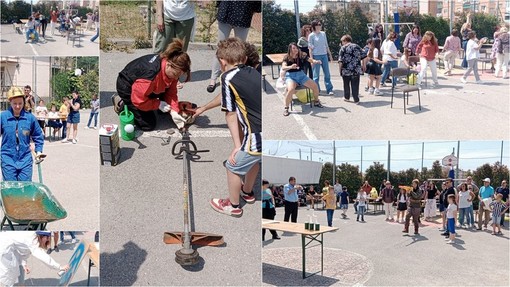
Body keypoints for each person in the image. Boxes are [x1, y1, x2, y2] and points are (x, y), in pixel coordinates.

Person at [208, 38, 261, 217]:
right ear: (245, 59)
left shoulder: (227, 77)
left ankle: (233, 205)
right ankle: (247, 192)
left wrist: (237, 146)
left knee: (233, 166)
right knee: (253, 161)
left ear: (222, 62)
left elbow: (230, 114)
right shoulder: (255, 72)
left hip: (256, 136)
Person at [114, 38, 191, 131]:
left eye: (179, 76)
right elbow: (139, 101)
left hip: (145, 87)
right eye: (175, 75)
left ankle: (153, 103)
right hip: (127, 88)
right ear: (168, 65)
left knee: (166, 108)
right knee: (148, 125)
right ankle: (121, 102)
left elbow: (171, 93)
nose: (176, 79)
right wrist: (157, 104)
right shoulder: (150, 75)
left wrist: (174, 111)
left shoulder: (171, 66)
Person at [207, 1, 260, 93]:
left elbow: (256, 6)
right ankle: (213, 79)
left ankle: (237, 79)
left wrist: (247, 10)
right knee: (220, 49)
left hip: (243, 16)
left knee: (240, 51)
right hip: (225, 13)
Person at [1, 87, 45, 181]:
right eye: (15, 103)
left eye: (20, 103)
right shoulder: (3, 117)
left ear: (24, 102)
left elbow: (38, 136)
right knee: (10, 188)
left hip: (25, 159)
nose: (17, 106)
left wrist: (39, 151)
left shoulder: (30, 118)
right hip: (8, 158)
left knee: (25, 188)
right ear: (10, 102)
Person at [0, 231, 70, 286]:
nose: (48, 240)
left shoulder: (33, 237)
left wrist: (24, 265)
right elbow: (43, 257)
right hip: (5, 248)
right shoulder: (32, 240)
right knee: (10, 273)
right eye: (47, 237)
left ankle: (21, 285)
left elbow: (22, 252)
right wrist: (60, 267)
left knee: (17, 267)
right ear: (41, 236)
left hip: (12, 248)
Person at [281, 42, 323, 116]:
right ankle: (286, 108)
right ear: (290, 49)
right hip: (291, 76)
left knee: (315, 86)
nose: (296, 49)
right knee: (291, 89)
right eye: (294, 48)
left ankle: (316, 101)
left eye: (296, 48)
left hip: (301, 75)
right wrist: (290, 67)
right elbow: (284, 67)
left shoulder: (301, 54)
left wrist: (315, 61)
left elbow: (309, 59)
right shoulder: (286, 57)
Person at [308, 19, 334, 95]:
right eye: (318, 24)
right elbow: (310, 48)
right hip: (316, 56)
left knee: (327, 73)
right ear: (314, 26)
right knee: (316, 75)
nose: (320, 26)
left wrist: (330, 55)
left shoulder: (323, 34)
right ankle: (317, 90)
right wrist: (311, 59)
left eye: (320, 24)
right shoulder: (311, 35)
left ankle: (329, 89)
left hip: (324, 55)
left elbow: (326, 45)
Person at [338, 34, 363, 104]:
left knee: (346, 84)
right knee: (355, 84)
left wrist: (340, 70)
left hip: (346, 69)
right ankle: (356, 99)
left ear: (345, 40)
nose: (341, 43)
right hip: (356, 69)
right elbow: (364, 55)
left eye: (342, 41)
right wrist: (363, 65)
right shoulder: (357, 46)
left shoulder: (343, 48)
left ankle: (347, 97)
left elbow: (340, 61)